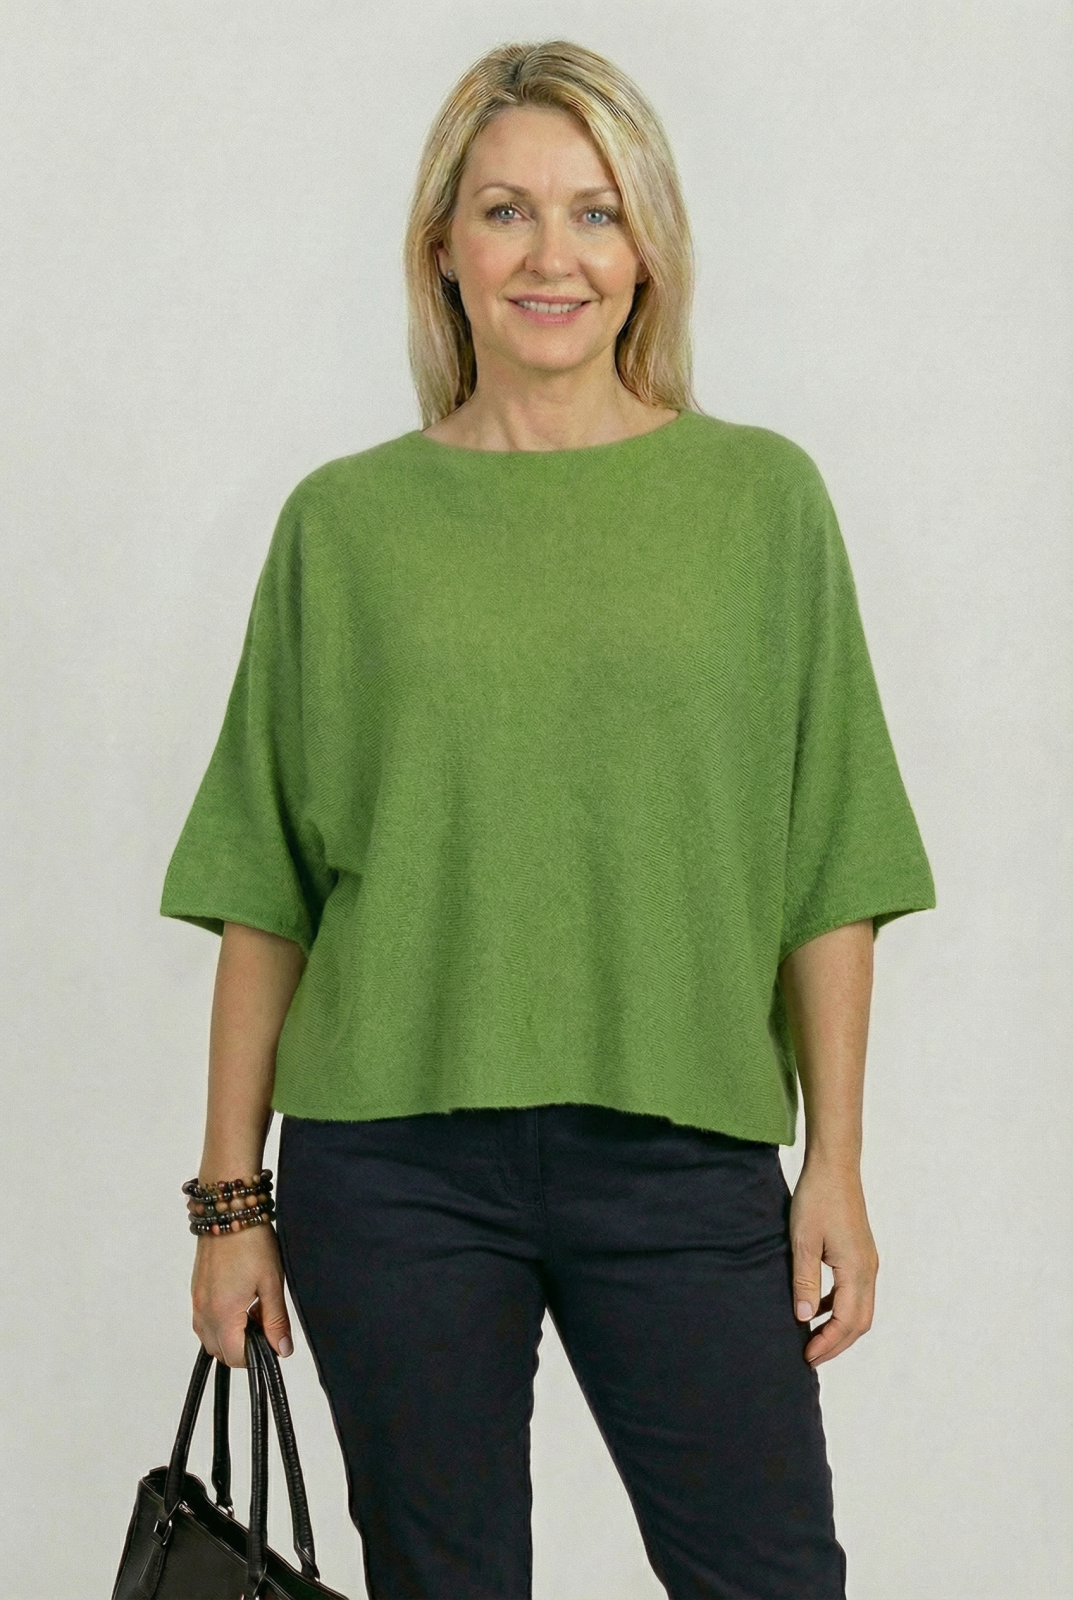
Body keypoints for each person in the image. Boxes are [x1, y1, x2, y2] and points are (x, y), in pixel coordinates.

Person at [162, 38, 936, 1600]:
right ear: (443, 247)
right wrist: (230, 1203)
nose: (551, 256)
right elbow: (269, 886)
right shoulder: (346, 524)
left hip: (683, 1158)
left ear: (648, 249)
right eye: (507, 212)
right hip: (392, 1170)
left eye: (596, 212)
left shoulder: (762, 502)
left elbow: (829, 863)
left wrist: (836, 1165)